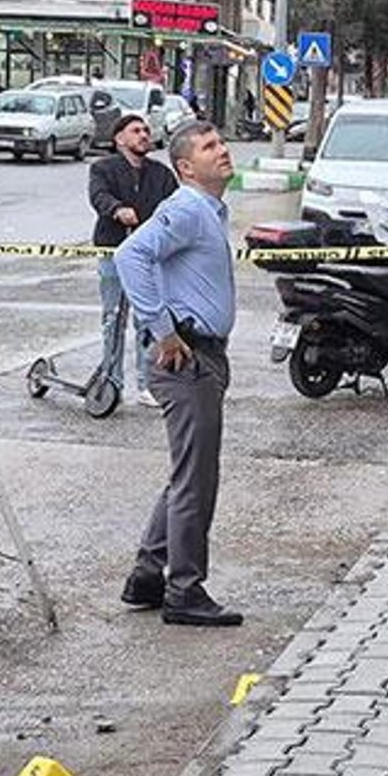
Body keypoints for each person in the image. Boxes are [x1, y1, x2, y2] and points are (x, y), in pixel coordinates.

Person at [114, 122, 241, 627]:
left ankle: (147, 574)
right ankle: (185, 590)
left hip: (201, 356)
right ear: (186, 167)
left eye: (221, 142)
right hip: (187, 359)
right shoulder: (188, 208)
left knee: (186, 476)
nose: (223, 150)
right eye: (210, 147)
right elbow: (130, 255)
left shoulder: (207, 211)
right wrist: (163, 331)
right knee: (196, 482)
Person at [89, 111, 179, 407]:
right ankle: (111, 382)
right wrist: (117, 209)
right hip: (113, 251)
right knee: (113, 318)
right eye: (136, 130)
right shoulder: (103, 168)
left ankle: (148, 384)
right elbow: (98, 196)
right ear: (120, 139)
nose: (144, 135)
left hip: (149, 258)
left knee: (149, 319)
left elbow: (175, 206)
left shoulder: (161, 174)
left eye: (146, 130)